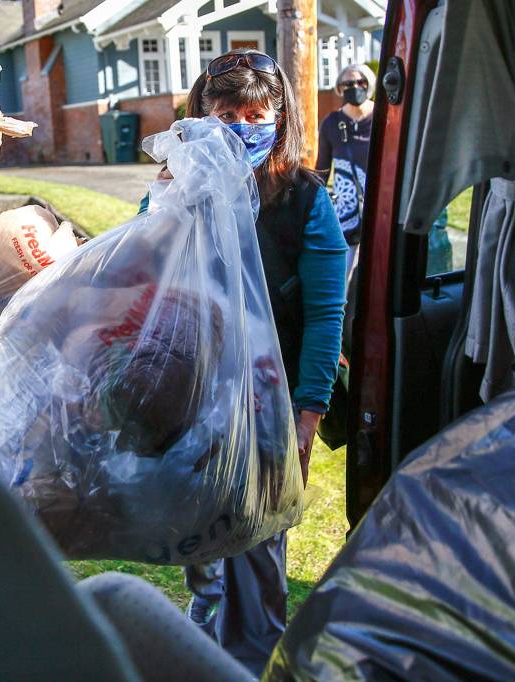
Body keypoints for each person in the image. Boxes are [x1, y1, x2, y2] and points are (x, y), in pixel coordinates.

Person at [154, 50, 345, 676]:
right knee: (204, 548)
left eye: (257, 114)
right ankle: (204, 645)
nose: (242, 126)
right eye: (226, 113)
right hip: (193, 397)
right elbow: (142, 283)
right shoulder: (176, 190)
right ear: (201, 116)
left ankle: (251, 660)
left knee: (258, 551)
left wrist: (309, 413)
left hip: (270, 406)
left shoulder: (304, 199)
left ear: (279, 118)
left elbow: (324, 315)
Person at [316, 64, 376, 278]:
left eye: (361, 82)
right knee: (342, 275)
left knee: (378, 272)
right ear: (340, 88)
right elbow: (322, 169)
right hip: (346, 210)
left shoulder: (382, 118)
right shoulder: (332, 123)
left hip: (380, 207)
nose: (356, 87)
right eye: (349, 83)